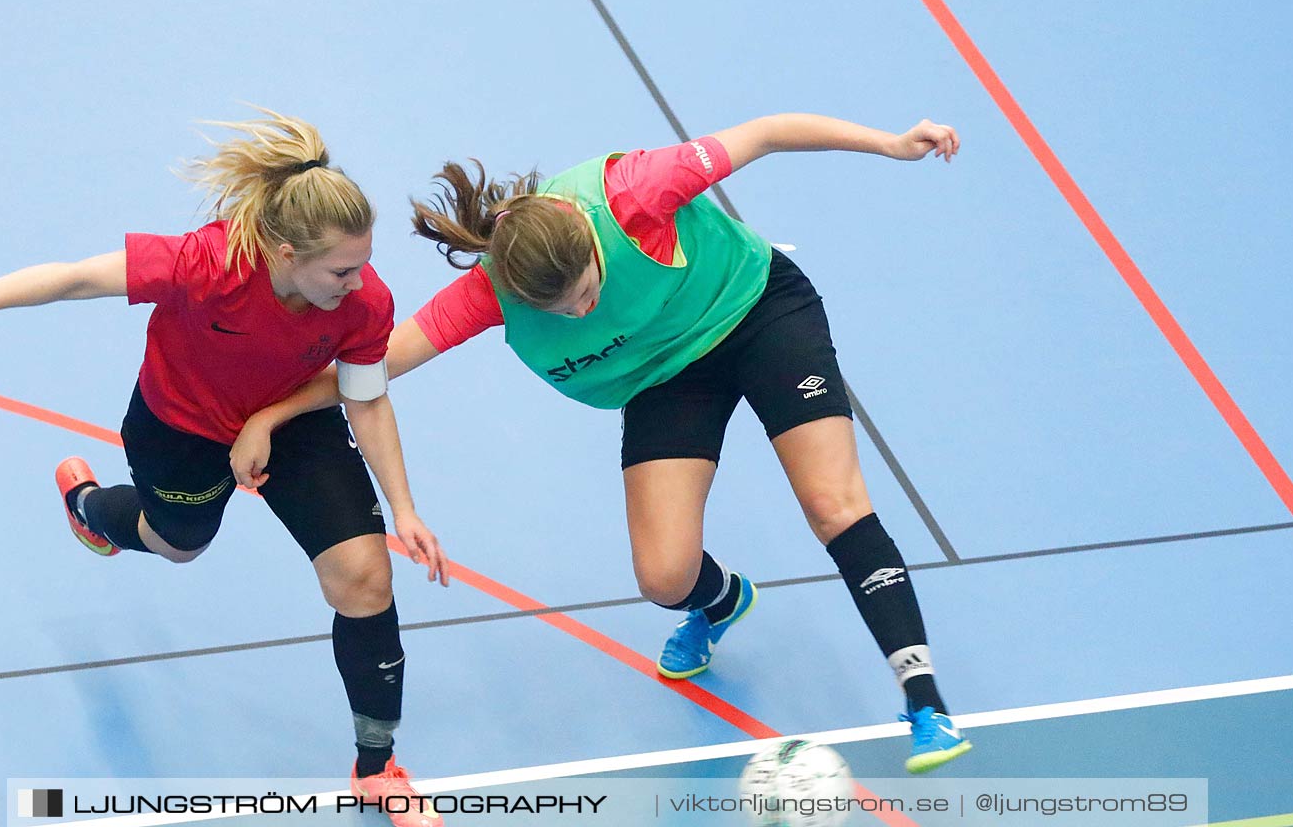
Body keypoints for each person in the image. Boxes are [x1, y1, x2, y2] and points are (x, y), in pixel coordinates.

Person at [0, 111, 451, 826]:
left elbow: (366, 398)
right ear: (282, 251)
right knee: (179, 544)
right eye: (341, 268)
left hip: (293, 422)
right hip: (181, 428)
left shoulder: (364, 301)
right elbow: (79, 277)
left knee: (365, 579)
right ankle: (90, 508)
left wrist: (404, 509)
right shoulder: (206, 266)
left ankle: (377, 767)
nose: (358, 281)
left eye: (364, 262)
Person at [396, 112, 971, 773]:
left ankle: (926, 705)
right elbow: (381, 359)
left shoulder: (637, 193)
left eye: (586, 292)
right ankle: (723, 602)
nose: (583, 314)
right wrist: (265, 408)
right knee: (665, 576)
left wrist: (893, 145)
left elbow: (768, 133)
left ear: (589, 242)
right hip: (666, 372)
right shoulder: (494, 291)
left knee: (833, 505)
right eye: (564, 313)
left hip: (758, 311)